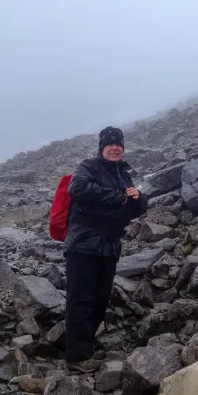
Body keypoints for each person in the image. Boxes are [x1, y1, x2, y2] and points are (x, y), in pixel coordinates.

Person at [64, 126, 148, 372]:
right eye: (110, 144)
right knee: (81, 298)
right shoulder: (88, 166)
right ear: (102, 147)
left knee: (100, 298)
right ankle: (77, 358)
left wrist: (138, 197)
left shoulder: (124, 173)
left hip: (109, 245)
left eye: (119, 145)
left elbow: (135, 208)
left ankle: (87, 344)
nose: (115, 148)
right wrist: (119, 196)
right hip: (84, 242)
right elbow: (76, 189)